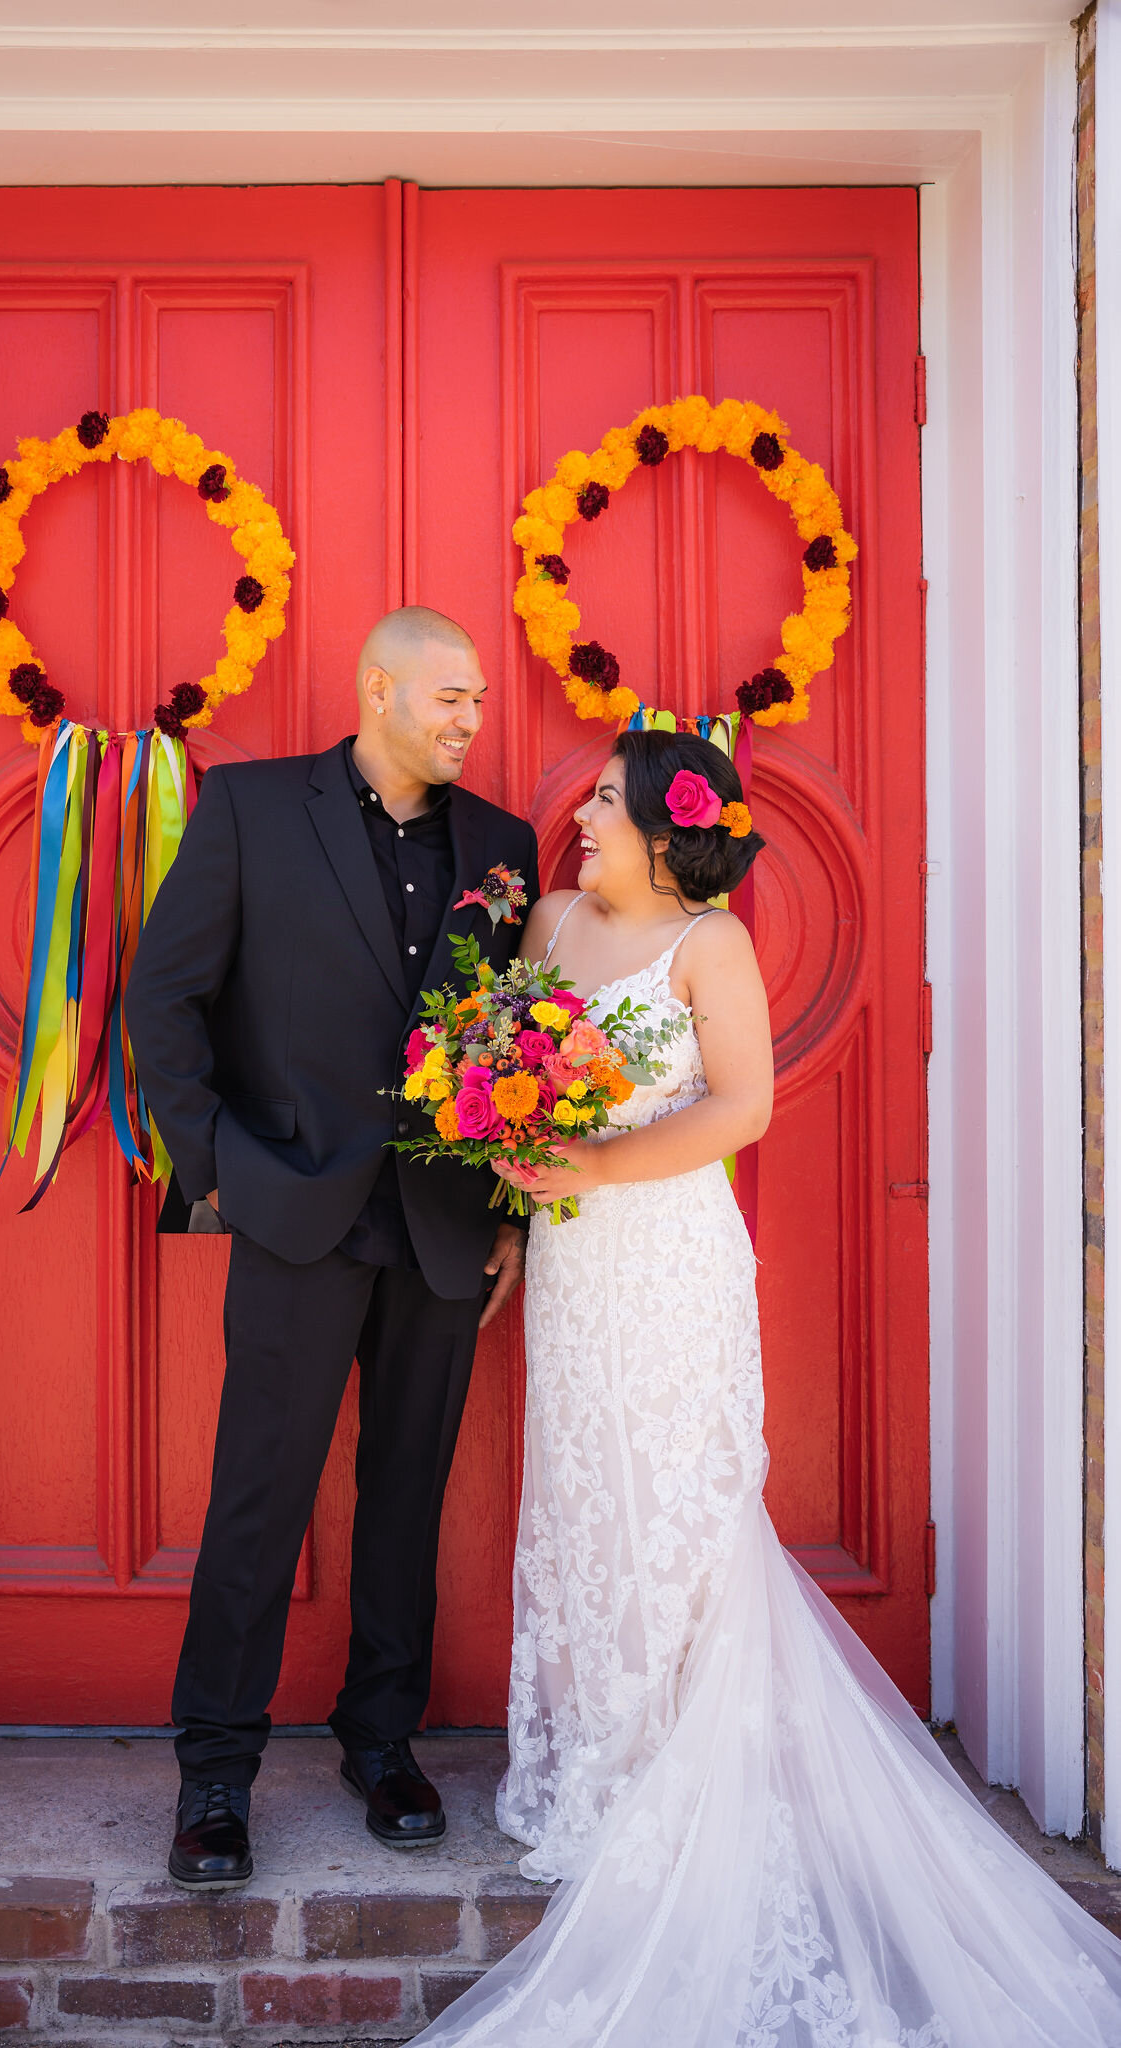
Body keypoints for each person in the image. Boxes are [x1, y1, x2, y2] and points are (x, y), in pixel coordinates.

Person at [414, 728, 1121, 2047]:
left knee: (676, 1508)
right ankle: (599, 1765)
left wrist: (594, 1175)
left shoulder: (712, 947)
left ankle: (683, 1778)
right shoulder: (553, 921)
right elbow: (508, 1078)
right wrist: (517, 1205)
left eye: (610, 808)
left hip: (670, 1257)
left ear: (669, 838)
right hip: (572, 1264)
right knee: (586, 1496)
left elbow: (740, 1108)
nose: (582, 819)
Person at [125, 606, 539, 1890]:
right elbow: (164, 996)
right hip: (294, 1212)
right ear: (378, 689)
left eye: (479, 700)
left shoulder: (504, 846)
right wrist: (221, 1174)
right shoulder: (249, 810)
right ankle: (214, 1771)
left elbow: (519, 1041)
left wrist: (512, 1211)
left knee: (406, 1492)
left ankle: (382, 1740)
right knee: (259, 1493)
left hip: (443, 1225)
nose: (474, 720)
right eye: (452, 697)